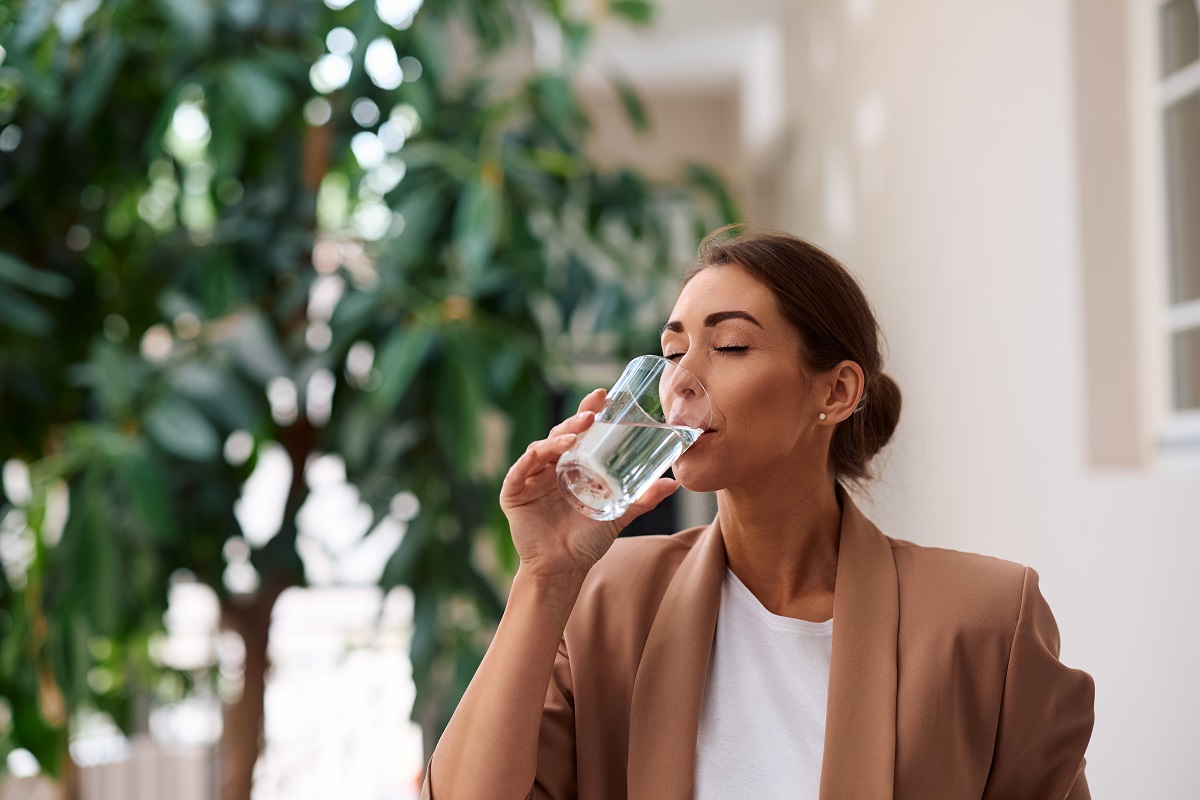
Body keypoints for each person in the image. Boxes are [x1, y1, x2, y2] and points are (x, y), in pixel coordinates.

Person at [421, 228, 1095, 799]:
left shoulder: (986, 619)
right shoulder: (605, 598)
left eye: (730, 346)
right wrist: (543, 575)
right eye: (672, 351)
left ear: (836, 391)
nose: (681, 380)